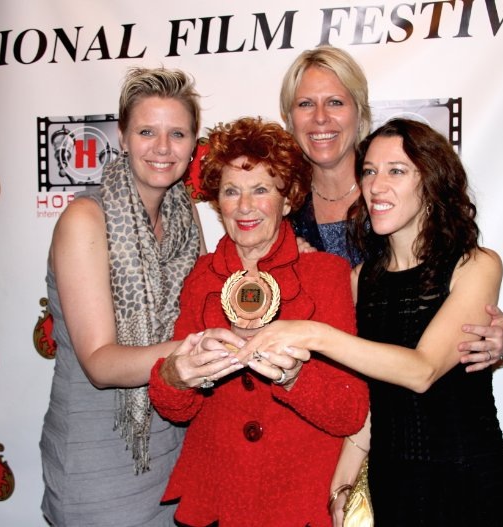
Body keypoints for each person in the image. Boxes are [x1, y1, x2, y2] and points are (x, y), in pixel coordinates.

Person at [244, 118, 503, 526]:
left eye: (396, 171)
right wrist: (342, 484)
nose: (376, 185)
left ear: (432, 182)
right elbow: (376, 402)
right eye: (369, 171)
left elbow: (421, 371)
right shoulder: (359, 279)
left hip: (472, 489)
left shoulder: (475, 265)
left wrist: (315, 333)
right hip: (395, 491)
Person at [39, 67, 241, 526]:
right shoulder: (85, 220)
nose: (163, 148)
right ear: (123, 137)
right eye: (147, 131)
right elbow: (100, 363)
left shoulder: (184, 213)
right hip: (98, 456)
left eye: (178, 133)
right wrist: (195, 350)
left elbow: (209, 297)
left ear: (193, 145)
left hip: (173, 439)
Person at [147, 117, 369, 527]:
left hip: (303, 502)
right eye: (231, 191)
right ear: (218, 201)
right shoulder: (201, 276)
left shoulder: (326, 275)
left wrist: (295, 379)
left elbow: (352, 412)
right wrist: (177, 376)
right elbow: (174, 409)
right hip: (219, 501)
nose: (245, 207)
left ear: (287, 200)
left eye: (261, 190)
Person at [280, 45, 503, 371]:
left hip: (405, 397)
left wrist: (502, 339)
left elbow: (445, 299)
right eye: (305, 104)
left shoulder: (398, 200)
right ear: (288, 118)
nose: (320, 117)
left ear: (359, 112)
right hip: (314, 396)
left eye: (335, 102)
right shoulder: (277, 208)